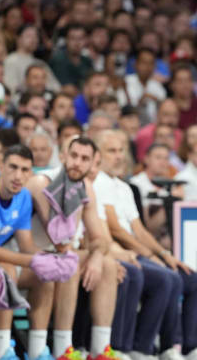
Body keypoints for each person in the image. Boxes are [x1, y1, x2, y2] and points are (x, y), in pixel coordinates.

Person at [92, 130, 197, 360]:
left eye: (121, 151)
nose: (118, 157)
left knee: (195, 280)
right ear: (98, 155)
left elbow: (139, 230)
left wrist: (165, 255)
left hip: (138, 251)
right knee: (167, 278)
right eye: (111, 151)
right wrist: (150, 255)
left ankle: (191, 347)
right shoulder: (97, 183)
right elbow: (116, 230)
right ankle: (140, 347)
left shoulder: (124, 187)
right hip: (117, 252)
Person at [26, 137, 120, 360]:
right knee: (71, 261)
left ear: (92, 163)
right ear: (63, 156)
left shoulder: (86, 187)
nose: (78, 162)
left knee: (108, 264)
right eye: (74, 156)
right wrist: (90, 253)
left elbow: (101, 239)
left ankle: (101, 350)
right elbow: (58, 240)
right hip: (29, 254)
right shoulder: (43, 182)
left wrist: (96, 257)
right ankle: (63, 349)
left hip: (58, 253)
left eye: (85, 158)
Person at [0, 145, 70, 360]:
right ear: (0, 166)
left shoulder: (24, 197)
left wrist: (50, 258)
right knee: (6, 271)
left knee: (43, 277)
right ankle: (2, 351)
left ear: (31, 173)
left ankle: (37, 351)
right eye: (13, 167)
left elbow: (26, 245)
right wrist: (31, 259)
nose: (18, 176)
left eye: (25, 170)